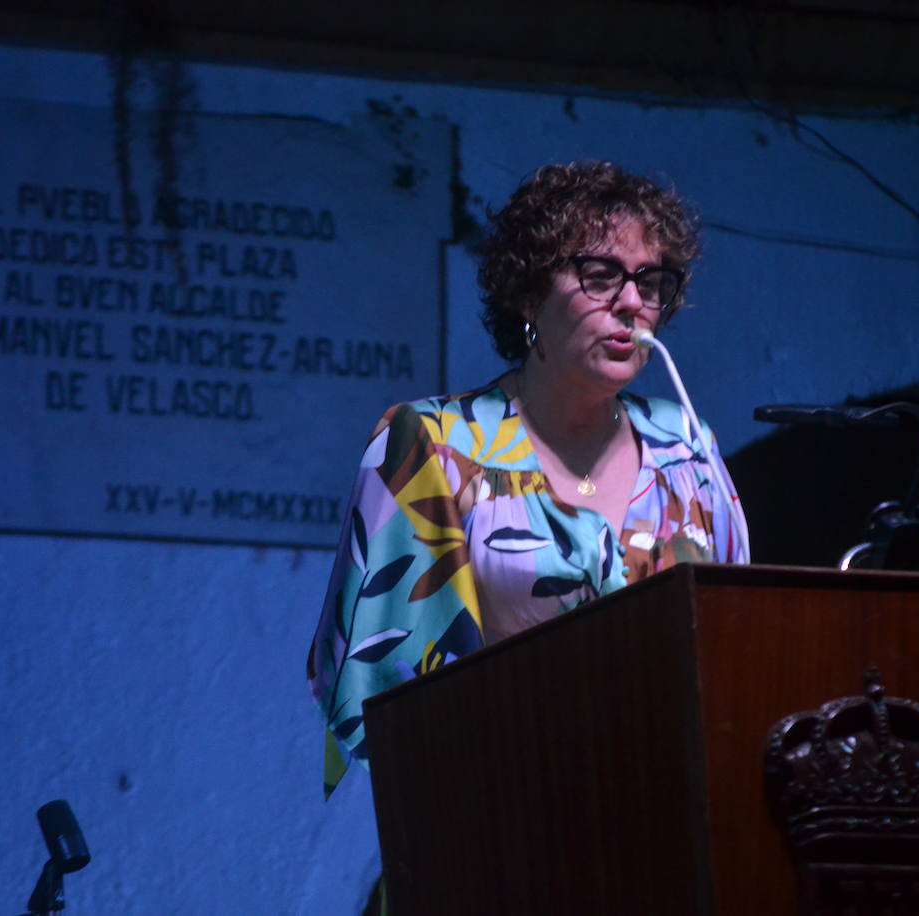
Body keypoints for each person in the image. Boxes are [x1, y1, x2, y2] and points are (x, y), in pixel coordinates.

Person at [307, 160, 748, 792]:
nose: (630, 302)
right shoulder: (435, 447)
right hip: (500, 812)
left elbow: (737, 654)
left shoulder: (687, 450)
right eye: (600, 276)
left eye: (651, 283)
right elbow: (388, 692)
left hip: (666, 808)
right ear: (528, 293)